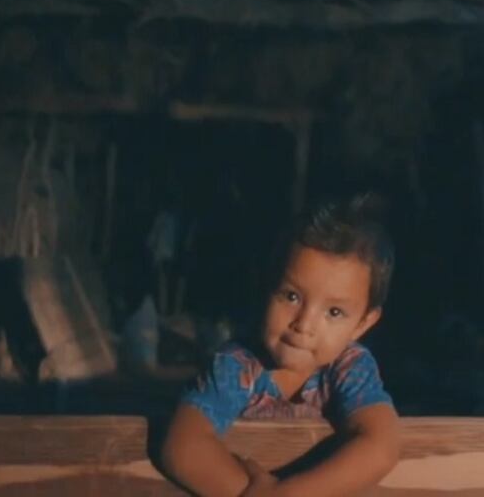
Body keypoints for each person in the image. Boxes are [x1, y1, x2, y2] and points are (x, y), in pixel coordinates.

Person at [161, 194, 400, 496]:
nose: (304, 324)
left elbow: (382, 446)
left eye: (334, 312)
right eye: (292, 296)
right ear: (267, 287)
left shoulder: (350, 367)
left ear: (363, 324)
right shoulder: (238, 366)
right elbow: (183, 446)